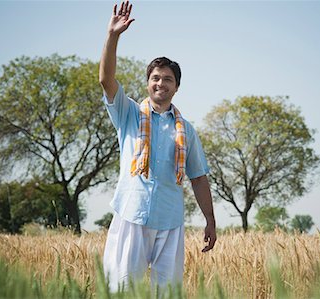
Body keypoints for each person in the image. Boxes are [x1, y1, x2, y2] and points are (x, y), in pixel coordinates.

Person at [99, 0, 217, 292]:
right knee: (122, 289)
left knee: (167, 292)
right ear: (147, 83)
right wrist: (113, 35)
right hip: (132, 214)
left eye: (167, 79)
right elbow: (106, 79)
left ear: (176, 86)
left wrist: (210, 220)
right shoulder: (129, 114)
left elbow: (199, 177)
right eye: (155, 78)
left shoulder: (186, 130)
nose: (160, 83)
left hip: (171, 220)